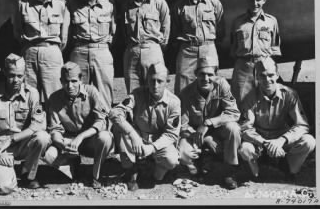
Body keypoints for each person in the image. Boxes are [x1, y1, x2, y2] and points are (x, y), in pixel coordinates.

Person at [238, 57, 315, 181]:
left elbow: (302, 124)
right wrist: (265, 143)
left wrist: (281, 140)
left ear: (277, 75)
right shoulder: (250, 97)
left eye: (271, 75)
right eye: (262, 76)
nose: (267, 80)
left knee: (309, 141)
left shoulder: (289, 94)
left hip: (281, 137)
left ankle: (288, 168)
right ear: (256, 77)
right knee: (245, 149)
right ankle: (257, 169)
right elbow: (245, 128)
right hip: (259, 140)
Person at [0, 54, 50, 195]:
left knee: (43, 137)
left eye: (20, 76)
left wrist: (12, 139)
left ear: (25, 75)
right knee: (4, 188)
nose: (16, 80)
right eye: (11, 75)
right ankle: (7, 170)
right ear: (4, 72)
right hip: (1, 146)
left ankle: (27, 174)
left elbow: (37, 125)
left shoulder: (32, 93)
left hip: (22, 142)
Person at [109, 62, 180, 191]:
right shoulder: (137, 94)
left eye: (160, 81)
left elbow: (171, 134)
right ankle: (131, 170)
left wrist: (152, 148)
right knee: (119, 128)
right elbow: (115, 112)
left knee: (172, 159)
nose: (155, 85)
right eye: (152, 80)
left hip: (158, 141)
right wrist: (132, 134)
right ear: (147, 80)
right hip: (138, 138)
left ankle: (156, 173)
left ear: (167, 81)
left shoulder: (174, 102)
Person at [44, 62, 113, 188]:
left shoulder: (91, 92)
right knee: (49, 155)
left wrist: (81, 137)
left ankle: (96, 175)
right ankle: (72, 164)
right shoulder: (54, 98)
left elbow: (101, 121)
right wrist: (62, 144)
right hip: (68, 141)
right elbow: (54, 129)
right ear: (61, 81)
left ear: (81, 79)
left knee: (105, 138)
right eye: (66, 81)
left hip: (89, 140)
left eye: (74, 81)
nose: (70, 86)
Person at [13, 0, 70, 107]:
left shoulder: (61, 4)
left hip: (52, 53)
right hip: (29, 53)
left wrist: (49, 49)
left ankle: (54, 128)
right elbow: (18, 32)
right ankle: (32, 127)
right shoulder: (23, 4)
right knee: (29, 95)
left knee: (54, 95)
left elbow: (63, 39)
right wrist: (30, 47)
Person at [178, 56, 241, 189]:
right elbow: (182, 125)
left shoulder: (222, 85)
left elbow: (234, 113)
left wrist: (208, 123)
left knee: (233, 129)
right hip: (195, 135)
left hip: (217, 130)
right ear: (195, 74)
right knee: (183, 152)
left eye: (210, 74)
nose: (206, 78)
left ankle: (229, 171)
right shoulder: (186, 93)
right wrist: (205, 138)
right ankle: (196, 165)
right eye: (202, 74)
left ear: (215, 75)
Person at [172, 0, 225, 95]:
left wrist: (207, 44)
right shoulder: (179, 6)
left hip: (208, 48)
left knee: (210, 87)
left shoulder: (214, 4)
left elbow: (220, 30)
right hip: (187, 50)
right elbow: (175, 30)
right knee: (183, 88)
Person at [68, 0, 116, 107]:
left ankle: (106, 125)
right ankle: (81, 125)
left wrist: (102, 47)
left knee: (104, 92)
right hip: (79, 52)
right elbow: (68, 33)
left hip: (102, 51)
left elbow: (114, 32)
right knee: (78, 92)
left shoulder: (109, 5)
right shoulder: (73, 5)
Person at [230, 0, 281, 108]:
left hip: (264, 67)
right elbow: (233, 48)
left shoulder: (271, 22)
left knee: (265, 104)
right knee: (240, 103)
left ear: (264, 0)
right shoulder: (238, 22)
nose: (255, 3)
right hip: (243, 68)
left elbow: (275, 46)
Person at [122, 0, 171, 94]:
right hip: (132, 53)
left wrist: (153, 48)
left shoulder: (159, 3)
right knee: (133, 95)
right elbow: (124, 33)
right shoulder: (127, 6)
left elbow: (165, 34)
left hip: (152, 51)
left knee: (155, 93)